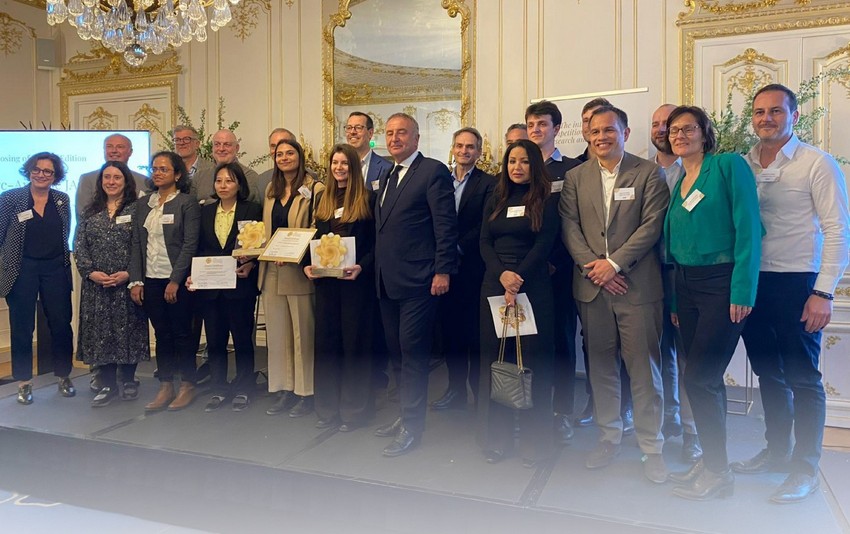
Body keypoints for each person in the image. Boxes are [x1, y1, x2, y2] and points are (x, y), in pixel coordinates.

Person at [733, 83, 850, 503]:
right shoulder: (741, 165)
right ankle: (777, 452)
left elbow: (838, 230)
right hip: (753, 282)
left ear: (794, 116)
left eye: (776, 112)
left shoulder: (816, 163)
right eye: (760, 111)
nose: (767, 118)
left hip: (799, 282)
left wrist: (824, 292)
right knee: (768, 373)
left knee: (802, 377)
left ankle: (805, 467)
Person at [560, 105, 670, 483]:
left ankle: (651, 447)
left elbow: (652, 226)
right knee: (601, 368)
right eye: (594, 131)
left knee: (643, 370)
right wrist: (596, 268)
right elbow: (570, 227)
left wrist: (615, 265)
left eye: (610, 130)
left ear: (625, 131)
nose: (602, 137)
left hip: (637, 289)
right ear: (586, 136)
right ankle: (609, 436)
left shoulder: (648, 173)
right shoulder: (575, 177)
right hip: (591, 288)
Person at [662, 106, 762, 500]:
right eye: (674, 130)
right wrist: (673, 297)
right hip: (686, 287)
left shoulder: (727, 167)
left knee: (699, 378)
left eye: (689, 128)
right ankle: (711, 462)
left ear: (705, 133)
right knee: (706, 381)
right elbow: (675, 246)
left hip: (722, 285)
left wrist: (743, 290)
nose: (680, 135)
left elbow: (750, 228)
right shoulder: (678, 178)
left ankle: (719, 472)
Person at [372, 112, 457, 457]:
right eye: (390, 133)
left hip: (420, 282)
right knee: (396, 355)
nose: (394, 139)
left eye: (402, 133)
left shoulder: (432, 171)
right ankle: (404, 414)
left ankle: (412, 426)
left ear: (417, 138)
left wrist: (443, 270)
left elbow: (445, 225)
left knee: (413, 356)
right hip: (386, 281)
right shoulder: (386, 174)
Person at [477, 139, 558, 467]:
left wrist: (518, 278)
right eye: (512, 161)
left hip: (532, 288)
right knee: (497, 363)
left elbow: (544, 244)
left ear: (535, 165)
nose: (517, 167)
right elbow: (484, 241)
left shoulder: (546, 199)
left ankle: (535, 440)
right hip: (495, 289)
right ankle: (497, 438)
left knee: (532, 364)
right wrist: (502, 276)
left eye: (524, 161)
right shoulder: (495, 197)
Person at [305, 144, 377, 431]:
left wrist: (363, 266)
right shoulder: (321, 197)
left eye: (345, 163)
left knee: (355, 346)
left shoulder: (368, 199)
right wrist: (306, 266)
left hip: (355, 286)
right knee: (326, 346)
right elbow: (315, 240)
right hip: (325, 285)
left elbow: (375, 244)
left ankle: (355, 411)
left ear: (354, 167)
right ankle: (326, 409)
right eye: (335, 163)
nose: (339, 168)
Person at [525, 100, 581, 443]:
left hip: (558, 270)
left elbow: (574, 222)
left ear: (557, 128)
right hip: (525, 272)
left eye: (542, 124)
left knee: (561, 340)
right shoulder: (518, 168)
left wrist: (554, 260)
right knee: (528, 341)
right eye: (531, 124)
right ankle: (528, 407)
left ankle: (562, 411)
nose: (535, 130)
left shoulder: (572, 170)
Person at [0, 152, 76, 404]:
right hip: (22, 269)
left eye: (48, 171)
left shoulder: (62, 200)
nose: (42, 175)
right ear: (29, 170)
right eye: (37, 169)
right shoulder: (10, 198)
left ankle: (64, 375)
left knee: (61, 324)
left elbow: (64, 235)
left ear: (56, 176)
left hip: (55, 268)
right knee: (22, 327)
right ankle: (23, 382)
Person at [129, 151, 201, 412]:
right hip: (151, 279)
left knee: (183, 333)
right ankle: (166, 384)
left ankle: (188, 384)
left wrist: (175, 280)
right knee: (162, 334)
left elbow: (190, 243)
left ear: (178, 174)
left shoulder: (187, 202)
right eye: (154, 169)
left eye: (164, 169)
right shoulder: (143, 204)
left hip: (176, 280)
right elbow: (137, 243)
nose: (157, 173)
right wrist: (136, 280)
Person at [650, 103, 702, 463]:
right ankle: (666, 419)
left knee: (687, 357)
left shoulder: (699, 170)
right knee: (657, 354)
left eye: (668, 124)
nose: (663, 130)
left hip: (684, 275)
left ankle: (693, 432)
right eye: (657, 125)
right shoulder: (638, 169)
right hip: (645, 276)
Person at [75, 161, 150, 407]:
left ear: (126, 181)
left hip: (126, 283)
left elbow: (143, 245)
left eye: (117, 177)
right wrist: (90, 272)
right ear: (101, 181)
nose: (111, 181)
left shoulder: (137, 209)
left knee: (128, 331)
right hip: (96, 285)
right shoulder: (90, 210)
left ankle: (128, 380)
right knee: (100, 333)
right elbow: (80, 245)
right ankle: (106, 383)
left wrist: (129, 273)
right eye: (107, 177)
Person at [189, 162, 262, 412]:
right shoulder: (206, 212)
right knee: (215, 341)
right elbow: (198, 248)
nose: (223, 185)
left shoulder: (252, 210)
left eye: (229, 181)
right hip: (211, 288)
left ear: (239, 184)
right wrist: (193, 276)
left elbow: (257, 248)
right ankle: (218, 388)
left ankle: (244, 387)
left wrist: (251, 263)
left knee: (242, 340)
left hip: (240, 286)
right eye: (219, 181)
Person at [431, 127, 495, 411]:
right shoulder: (439, 180)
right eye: (460, 146)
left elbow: (486, 224)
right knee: (451, 334)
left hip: (474, 268)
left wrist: (454, 245)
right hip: (444, 270)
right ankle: (454, 389)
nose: (464, 151)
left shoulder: (490, 184)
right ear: (453, 149)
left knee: (475, 336)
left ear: (479, 152)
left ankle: (478, 393)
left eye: (470, 147)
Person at [260, 139, 324, 418]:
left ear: (300, 156)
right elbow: (265, 229)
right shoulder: (271, 189)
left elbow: (316, 228)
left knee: (302, 333)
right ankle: (284, 389)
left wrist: (295, 253)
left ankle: (306, 392)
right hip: (272, 269)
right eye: (279, 154)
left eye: (289, 153)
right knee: (277, 334)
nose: (284, 158)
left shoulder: (315, 188)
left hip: (299, 270)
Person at [76, 133, 148, 219]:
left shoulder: (144, 181)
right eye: (109, 146)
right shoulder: (87, 179)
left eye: (120, 147)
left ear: (130, 152)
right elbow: (82, 215)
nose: (114, 150)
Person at [345, 111, 393, 192]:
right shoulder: (338, 166)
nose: (352, 132)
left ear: (370, 133)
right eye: (349, 128)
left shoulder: (387, 168)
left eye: (358, 127)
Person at [211, 129, 262, 204]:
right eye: (217, 144)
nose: (221, 149)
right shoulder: (200, 176)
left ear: (237, 148)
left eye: (227, 144)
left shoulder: (250, 176)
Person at [172, 125, 216, 204]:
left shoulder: (212, 169)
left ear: (197, 144)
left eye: (186, 139)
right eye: (177, 140)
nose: (182, 143)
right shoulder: (168, 170)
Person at [257, 128, 298, 196]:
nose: (278, 150)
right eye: (273, 146)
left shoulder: (310, 178)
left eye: (283, 145)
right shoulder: (262, 180)